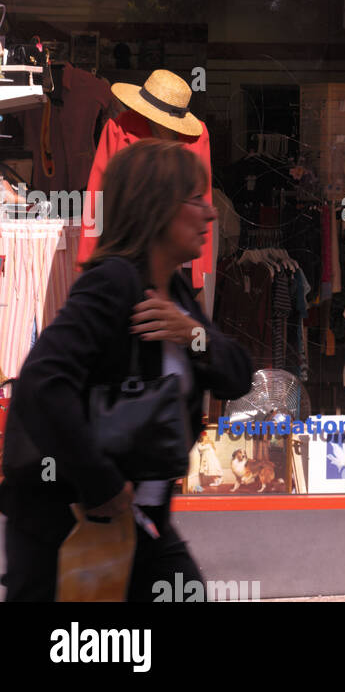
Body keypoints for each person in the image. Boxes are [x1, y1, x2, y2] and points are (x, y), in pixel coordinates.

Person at [0, 139, 252, 602]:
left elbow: (238, 377)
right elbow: (42, 384)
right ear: (157, 209)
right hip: (72, 528)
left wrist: (191, 335)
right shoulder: (113, 283)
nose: (211, 215)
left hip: (143, 527)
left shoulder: (173, 289)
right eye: (196, 201)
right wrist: (103, 486)